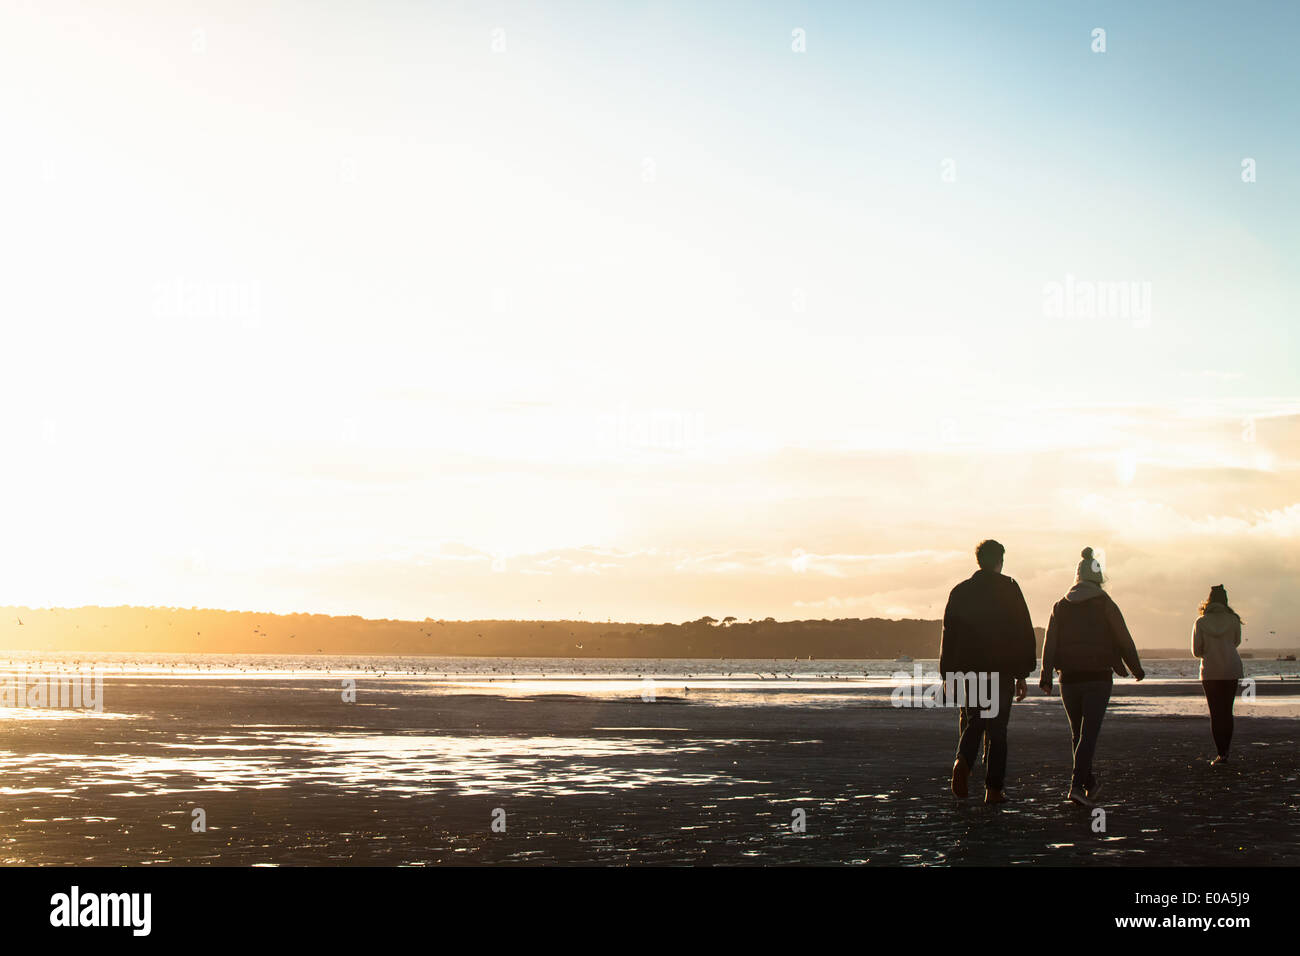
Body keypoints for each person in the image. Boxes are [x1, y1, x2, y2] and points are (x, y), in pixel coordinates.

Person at [1039, 547, 1145, 807]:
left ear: (1077, 577)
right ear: (1098, 577)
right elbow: (1123, 637)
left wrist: (1046, 674)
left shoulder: (1061, 605)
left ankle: (1089, 783)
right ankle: (1076, 786)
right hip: (1097, 676)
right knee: (1089, 734)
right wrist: (1135, 667)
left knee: (1078, 734)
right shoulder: (1105, 603)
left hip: (1069, 678)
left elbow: (1049, 642)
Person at [939, 539, 1036, 805]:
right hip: (1002, 669)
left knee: (975, 719)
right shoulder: (1010, 589)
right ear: (999, 561)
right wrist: (1023, 673)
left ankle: (963, 761)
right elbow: (1023, 632)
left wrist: (947, 673)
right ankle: (993, 790)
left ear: (979, 561)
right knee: (998, 730)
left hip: (971, 669)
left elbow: (949, 635)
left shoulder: (961, 591)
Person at [1192, 584, 1244, 765]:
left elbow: (1196, 651)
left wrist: (1210, 650)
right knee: (1227, 711)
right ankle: (1226, 751)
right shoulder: (1233, 620)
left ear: (1210, 600)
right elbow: (1236, 642)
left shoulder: (1201, 622)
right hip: (1231, 668)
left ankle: (1220, 753)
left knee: (1216, 713)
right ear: (1225, 601)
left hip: (1211, 671)